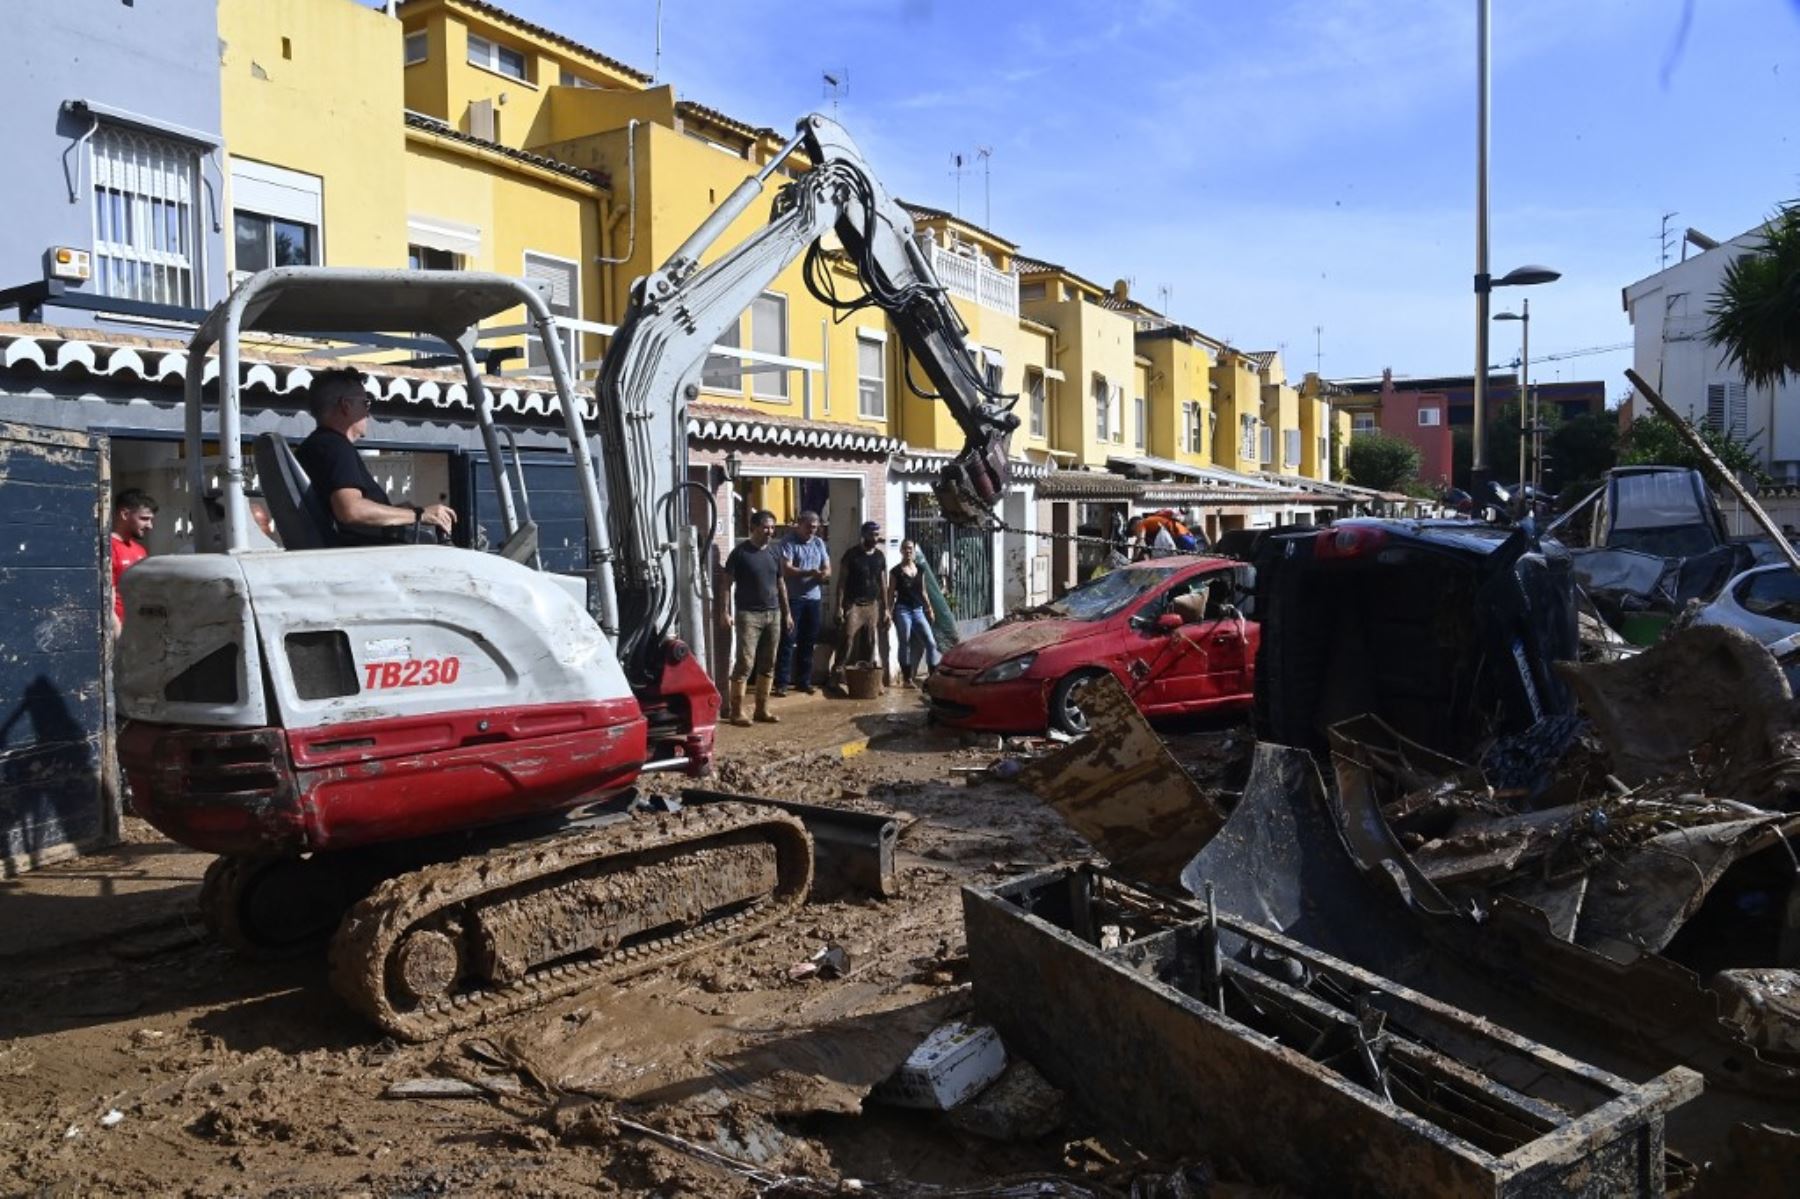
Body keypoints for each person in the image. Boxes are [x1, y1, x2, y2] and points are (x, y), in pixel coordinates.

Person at [296, 368, 456, 547]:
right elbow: (351, 510)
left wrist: (397, 512)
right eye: (365, 403)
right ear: (345, 406)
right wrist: (420, 515)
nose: (368, 413)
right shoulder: (335, 447)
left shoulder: (316, 446)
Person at [718, 508, 791, 726]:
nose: (769, 531)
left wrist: (787, 613)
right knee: (745, 663)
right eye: (765, 527)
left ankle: (762, 709)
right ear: (754, 527)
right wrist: (724, 611)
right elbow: (726, 584)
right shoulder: (740, 553)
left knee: (769, 663)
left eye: (772, 528)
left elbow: (781, 584)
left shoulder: (775, 553)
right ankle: (736, 711)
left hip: (774, 613)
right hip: (748, 615)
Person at [773, 510, 830, 697]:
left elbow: (827, 567)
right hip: (793, 599)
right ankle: (781, 682)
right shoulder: (788, 543)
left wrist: (824, 574)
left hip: (814, 599)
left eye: (815, 527)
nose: (812, 531)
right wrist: (810, 573)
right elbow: (786, 569)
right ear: (800, 524)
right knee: (788, 640)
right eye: (808, 527)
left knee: (808, 641)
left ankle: (804, 681)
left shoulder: (819, 543)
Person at [828, 520, 889, 695]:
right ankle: (836, 675)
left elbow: (883, 583)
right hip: (854, 604)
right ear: (864, 535)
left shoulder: (879, 556)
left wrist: (885, 609)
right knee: (847, 638)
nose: (875, 538)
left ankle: (870, 680)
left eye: (877, 535)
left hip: (872, 604)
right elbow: (841, 582)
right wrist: (839, 607)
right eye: (872, 534)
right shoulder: (851, 555)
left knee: (870, 642)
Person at [890, 539, 944, 687]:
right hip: (903, 610)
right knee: (904, 642)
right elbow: (890, 593)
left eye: (911, 549)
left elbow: (923, 591)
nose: (908, 551)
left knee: (931, 643)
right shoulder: (895, 571)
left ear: (914, 551)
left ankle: (933, 677)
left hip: (918, 610)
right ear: (901, 550)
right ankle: (907, 679)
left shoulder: (920, 569)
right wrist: (888, 612)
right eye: (906, 548)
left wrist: (929, 609)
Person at [109, 489, 157, 633]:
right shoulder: (108, 548)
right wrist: (120, 639)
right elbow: (107, 605)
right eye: (144, 518)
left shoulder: (140, 550)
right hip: (120, 635)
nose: (150, 526)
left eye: (151, 519)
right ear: (124, 514)